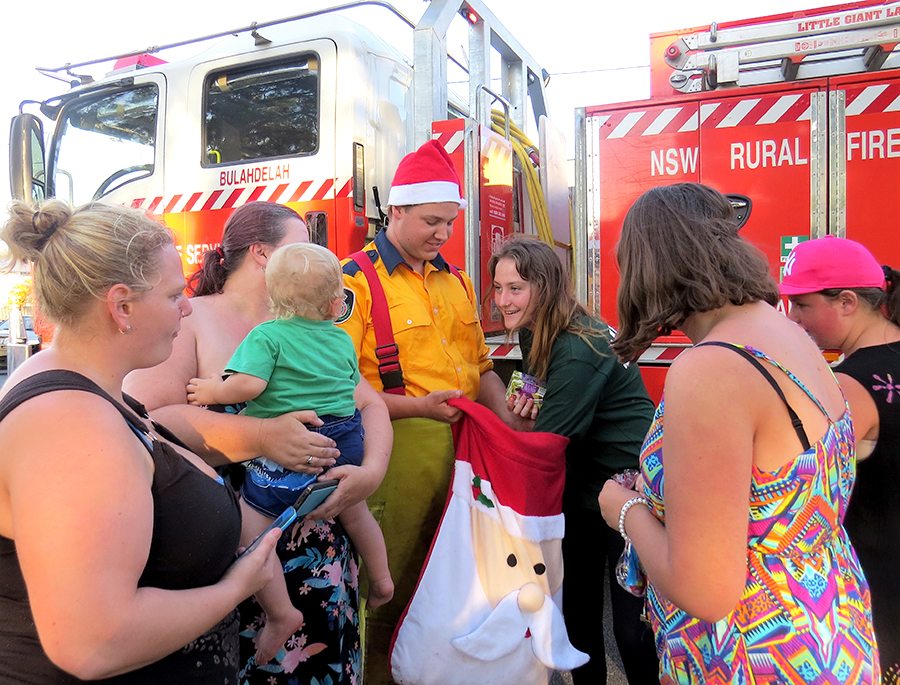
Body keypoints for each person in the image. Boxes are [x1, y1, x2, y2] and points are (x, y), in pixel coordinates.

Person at [596, 183, 880, 683]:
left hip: (754, 656)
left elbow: (706, 590)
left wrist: (623, 509)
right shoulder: (788, 336)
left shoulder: (710, 369)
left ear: (648, 266)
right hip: (830, 632)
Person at [0, 199, 281, 684]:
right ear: (121, 305)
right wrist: (237, 588)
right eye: (175, 295)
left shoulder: (87, 390)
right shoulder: (71, 424)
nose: (188, 305)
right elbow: (92, 643)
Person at [124, 201, 392, 685]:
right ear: (263, 254)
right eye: (302, 247)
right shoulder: (188, 320)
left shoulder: (314, 331)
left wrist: (370, 473)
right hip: (234, 549)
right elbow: (151, 421)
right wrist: (263, 436)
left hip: (324, 547)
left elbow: (371, 405)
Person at [337, 139, 513, 684]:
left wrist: (512, 430)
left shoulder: (456, 280)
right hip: (394, 450)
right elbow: (340, 387)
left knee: (452, 581)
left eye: (450, 224)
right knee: (388, 585)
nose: (442, 234)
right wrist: (419, 407)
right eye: (432, 221)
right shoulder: (353, 281)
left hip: (465, 454)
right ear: (397, 211)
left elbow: (482, 368)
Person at [185, 242, 394, 664]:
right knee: (356, 513)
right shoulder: (339, 340)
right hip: (344, 440)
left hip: (292, 455)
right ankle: (385, 579)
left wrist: (211, 389)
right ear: (337, 302)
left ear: (273, 294)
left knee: (252, 532)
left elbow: (249, 387)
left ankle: (281, 615)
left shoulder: (266, 336)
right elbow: (354, 392)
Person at [489, 236, 658, 684]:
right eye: (498, 287)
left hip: (627, 488)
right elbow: (529, 393)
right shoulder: (541, 328)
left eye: (515, 289)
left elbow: (542, 439)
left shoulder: (579, 344)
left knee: (631, 623)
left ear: (544, 287)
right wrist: (518, 403)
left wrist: (510, 416)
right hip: (584, 486)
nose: (503, 300)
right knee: (578, 609)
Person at [781, 235, 900, 684]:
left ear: (848, 301)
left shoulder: (848, 386)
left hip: (878, 578)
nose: (792, 319)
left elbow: (802, 489)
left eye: (802, 305)